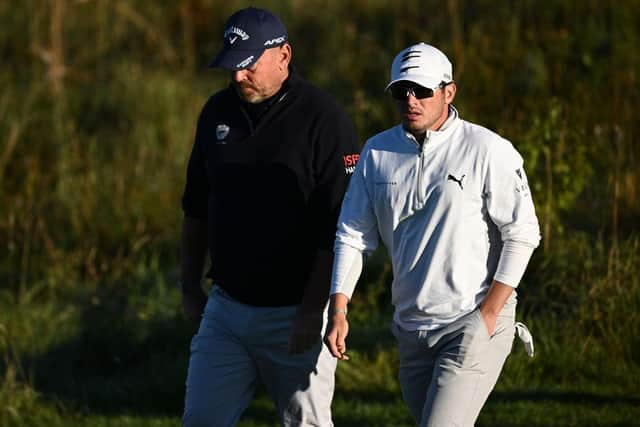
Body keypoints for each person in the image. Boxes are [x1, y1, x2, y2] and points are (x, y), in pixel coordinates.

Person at [324, 42, 540, 426]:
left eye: (422, 91)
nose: (410, 99)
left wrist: (488, 315)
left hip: (472, 320)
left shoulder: (487, 148)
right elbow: (352, 235)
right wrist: (339, 309)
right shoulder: (376, 152)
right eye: (401, 91)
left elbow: (523, 233)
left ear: (448, 91)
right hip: (411, 329)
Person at [180, 7, 359, 427]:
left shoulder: (324, 119)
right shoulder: (216, 113)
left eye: (248, 66)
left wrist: (313, 309)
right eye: (231, 67)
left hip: (296, 310)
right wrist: (189, 284)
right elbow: (196, 206)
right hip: (226, 310)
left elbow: (339, 228)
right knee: (201, 420)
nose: (238, 77)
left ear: (283, 55)